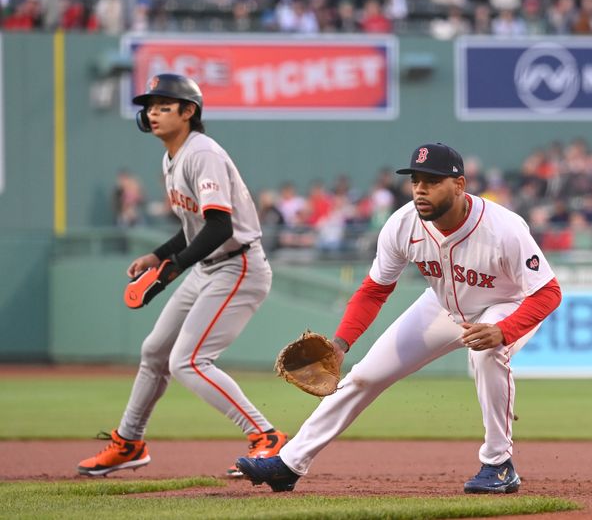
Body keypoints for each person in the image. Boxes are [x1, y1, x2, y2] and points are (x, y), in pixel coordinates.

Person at [235, 142, 562, 494]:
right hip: (442, 306)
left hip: (506, 304)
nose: (421, 188)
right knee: (363, 376)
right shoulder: (403, 224)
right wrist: (341, 344)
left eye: (432, 181)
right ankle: (288, 464)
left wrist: (503, 330)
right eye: (416, 180)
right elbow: (375, 289)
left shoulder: (504, 228)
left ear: (460, 185)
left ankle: (499, 465)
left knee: (485, 353)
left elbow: (548, 292)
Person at [77, 74, 286, 477]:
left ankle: (267, 437)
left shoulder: (201, 153)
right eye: (150, 107)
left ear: (189, 112)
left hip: (237, 265)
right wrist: (159, 255)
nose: (152, 113)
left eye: (163, 106)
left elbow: (220, 227)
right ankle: (129, 443)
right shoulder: (172, 157)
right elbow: (195, 226)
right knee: (155, 352)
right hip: (209, 265)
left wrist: (175, 266)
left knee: (188, 361)